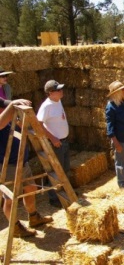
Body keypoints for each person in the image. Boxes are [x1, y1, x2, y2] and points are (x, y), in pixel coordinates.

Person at [0, 98, 53, 238]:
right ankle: (16, 227)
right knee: (10, 198)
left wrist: (16, 106)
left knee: (30, 189)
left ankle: (34, 217)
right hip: (7, 166)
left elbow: (8, 105)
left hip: (22, 162)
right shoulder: (2, 120)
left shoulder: (9, 116)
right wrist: (12, 106)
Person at [36, 80, 70, 208]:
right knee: (56, 171)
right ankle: (54, 198)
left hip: (64, 141)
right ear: (51, 93)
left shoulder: (58, 101)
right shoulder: (46, 106)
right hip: (56, 143)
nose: (61, 91)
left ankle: (66, 192)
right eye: (59, 90)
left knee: (65, 169)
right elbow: (38, 124)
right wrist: (53, 138)